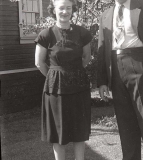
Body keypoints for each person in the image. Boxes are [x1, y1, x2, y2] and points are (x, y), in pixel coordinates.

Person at [97, 0, 143, 159]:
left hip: (139, 64)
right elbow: (102, 49)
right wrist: (102, 80)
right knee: (125, 127)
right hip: (115, 68)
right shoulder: (106, 15)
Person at [34, 0, 92, 159]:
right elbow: (39, 63)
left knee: (79, 130)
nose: (65, 11)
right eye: (61, 8)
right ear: (54, 10)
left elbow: (87, 57)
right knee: (58, 131)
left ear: (73, 10)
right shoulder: (46, 34)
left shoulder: (82, 32)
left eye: (69, 8)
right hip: (56, 90)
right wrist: (55, 76)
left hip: (79, 87)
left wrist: (73, 74)